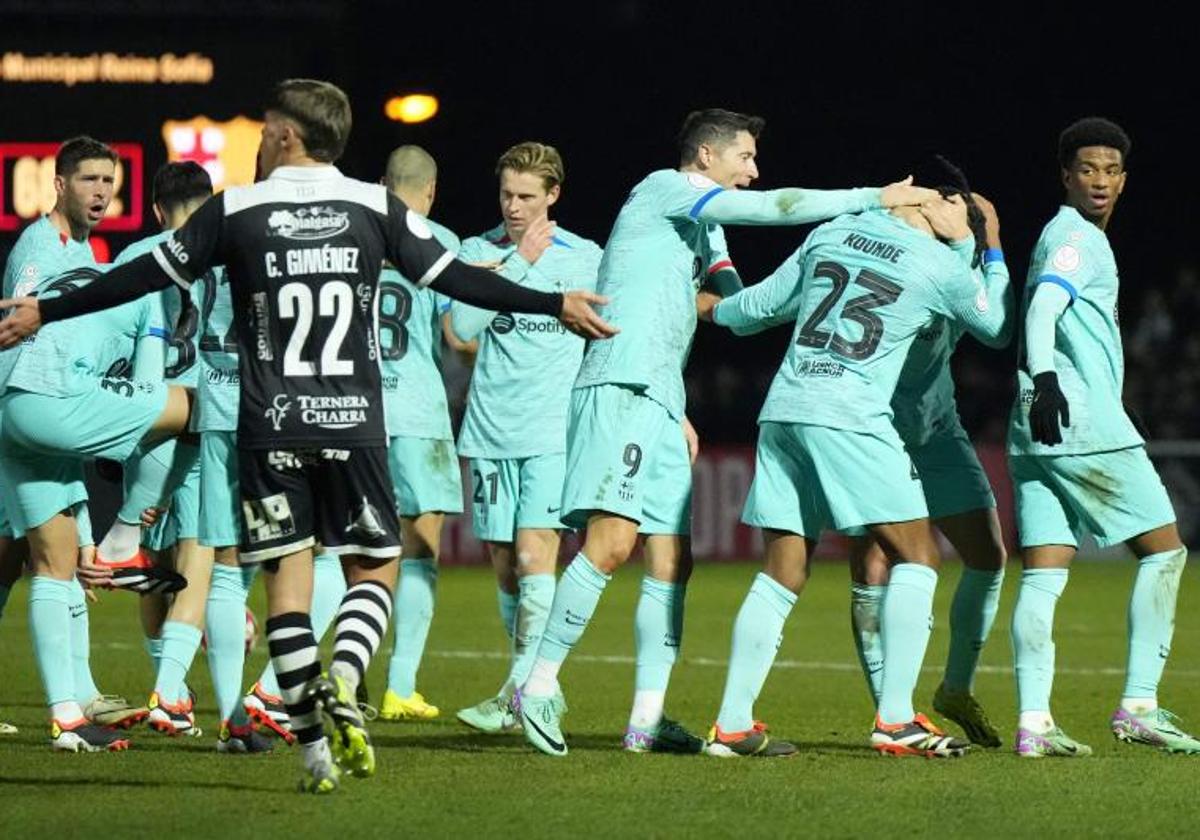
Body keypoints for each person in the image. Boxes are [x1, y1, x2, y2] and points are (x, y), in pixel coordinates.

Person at [0, 78, 613, 793]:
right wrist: (553, 301)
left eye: (264, 126)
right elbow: (462, 281)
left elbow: (140, 272)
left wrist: (46, 310)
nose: (258, 136)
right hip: (354, 422)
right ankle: (346, 679)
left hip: (268, 427)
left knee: (286, 592)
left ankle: (315, 753)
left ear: (288, 135)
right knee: (375, 572)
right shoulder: (375, 206)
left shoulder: (237, 209)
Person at [515, 107, 938, 757]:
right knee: (611, 543)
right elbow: (773, 208)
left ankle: (647, 722)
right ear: (707, 158)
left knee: (673, 561)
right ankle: (537, 685)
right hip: (621, 386)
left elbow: (730, 300)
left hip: (658, 397)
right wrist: (871, 199)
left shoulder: (702, 227)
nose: (755, 171)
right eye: (745, 157)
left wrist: (795, 303)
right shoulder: (665, 189)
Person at [700, 189, 1011, 757]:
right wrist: (975, 242)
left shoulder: (831, 232)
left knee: (782, 571)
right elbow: (995, 326)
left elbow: (755, 310)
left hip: (786, 408)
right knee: (918, 557)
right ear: (929, 211)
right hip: (850, 414)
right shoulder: (939, 261)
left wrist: (709, 307)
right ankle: (895, 720)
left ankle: (732, 725)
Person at [1007, 116, 1200, 757]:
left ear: (1123, 179)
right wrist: (1049, 380)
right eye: (1087, 169)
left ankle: (1034, 724)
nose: (1099, 181)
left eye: (1110, 171)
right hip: (1074, 420)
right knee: (1166, 550)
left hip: (1036, 428)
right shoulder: (1074, 239)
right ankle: (1140, 705)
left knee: (1043, 573)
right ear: (1066, 175)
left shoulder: (1073, 235)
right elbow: (1041, 310)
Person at [0, 136, 191, 751]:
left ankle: (69, 712)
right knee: (201, 406)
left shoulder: (88, 253)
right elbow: (21, 309)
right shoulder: (41, 244)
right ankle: (131, 533)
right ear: (60, 185)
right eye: (89, 180)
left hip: (31, 424)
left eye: (109, 181)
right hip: (40, 402)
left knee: (55, 565)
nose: (102, 191)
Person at [846, 187, 1008, 748]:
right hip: (873, 428)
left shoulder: (953, 264)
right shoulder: (893, 256)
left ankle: (954, 689)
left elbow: (996, 323)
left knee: (987, 556)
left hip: (938, 430)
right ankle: (892, 711)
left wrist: (989, 246)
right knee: (874, 565)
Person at [450, 142, 602, 736]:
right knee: (508, 568)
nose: (514, 207)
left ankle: (519, 692)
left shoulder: (584, 258)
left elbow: (606, 337)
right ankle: (535, 691)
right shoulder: (476, 252)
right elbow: (461, 329)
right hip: (488, 432)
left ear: (553, 196)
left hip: (551, 431)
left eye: (527, 196)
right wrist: (516, 265)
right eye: (507, 194)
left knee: (538, 557)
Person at [373, 145, 464, 721]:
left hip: (352, 410)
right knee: (419, 547)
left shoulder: (352, 230)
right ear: (430, 191)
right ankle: (399, 685)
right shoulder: (442, 241)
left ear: (381, 182)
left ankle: (331, 674)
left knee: (345, 546)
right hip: (418, 411)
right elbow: (460, 337)